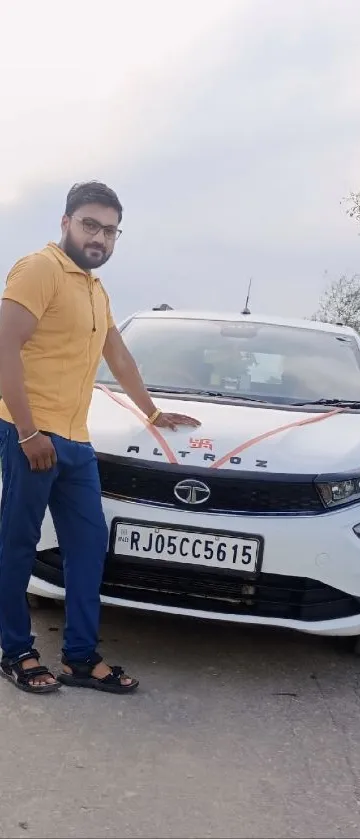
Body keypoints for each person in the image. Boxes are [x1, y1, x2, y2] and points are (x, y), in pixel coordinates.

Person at [0, 181, 200, 695]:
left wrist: (153, 411)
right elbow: (4, 344)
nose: (101, 238)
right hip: (32, 435)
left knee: (89, 546)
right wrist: (26, 433)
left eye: (110, 231)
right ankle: (15, 651)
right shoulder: (39, 269)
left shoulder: (93, 288)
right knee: (17, 546)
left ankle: (80, 659)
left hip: (75, 441)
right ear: (66, 222)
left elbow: (118, 355)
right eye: (91, 225)